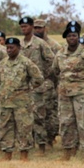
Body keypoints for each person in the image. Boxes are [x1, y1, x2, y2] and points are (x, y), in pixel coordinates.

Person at [52, 21, 84, 161]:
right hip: (65, 94)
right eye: (69, 36)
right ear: (66, 38)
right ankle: (68, 151)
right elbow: (55, 71)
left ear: (78, 36)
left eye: (75, 35)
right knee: (66, 122)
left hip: (83, 93)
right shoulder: (60, 54)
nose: (72, 38)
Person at [0, 37, 44, 161]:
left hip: (22, 102)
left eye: (12, 47)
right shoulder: (3, 63)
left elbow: (38, 78)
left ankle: (24, 154)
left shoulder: (26, 62)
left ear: (19, 48)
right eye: (7, 47)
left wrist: (27, 89)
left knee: (24, 128)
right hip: (6, 102)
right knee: (5, 128)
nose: (9, 50)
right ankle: (7, 154)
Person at [19, 16, 56, 155]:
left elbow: (51, 61)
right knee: (24, 118)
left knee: (39, 116)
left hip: (37, 87)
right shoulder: (19, 44)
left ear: (32, 27)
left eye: (26, 26)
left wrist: (44, 77)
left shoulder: (40, 44)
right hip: (22, 87)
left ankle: (42, 146)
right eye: (22, 27)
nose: (24, 29)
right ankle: (27, 145)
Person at [34, 18, 62, 145]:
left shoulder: (54, 45)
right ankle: (38, 138)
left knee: (50, 112)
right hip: (34, 84)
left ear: (45, 28)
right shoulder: (32, 44)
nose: (37, 30)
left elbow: (59, 65)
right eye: (35, 28)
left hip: (49, 83)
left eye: (39, 28)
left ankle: (51, 137)